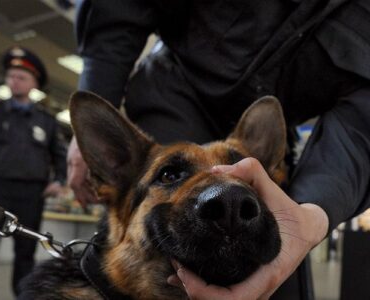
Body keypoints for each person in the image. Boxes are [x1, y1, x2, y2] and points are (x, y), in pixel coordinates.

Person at [68, 0, 370, 299]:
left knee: (279, 272)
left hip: (270, 123)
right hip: (176, 90)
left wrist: (313, 215)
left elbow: (363, 120)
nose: (224, 198)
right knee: (146, 257)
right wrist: (100, 87)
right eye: (170, 174)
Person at [0, 46, 67, 300]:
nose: (15, 80)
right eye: (11, 75)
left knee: (26, 253)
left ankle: (23, 297)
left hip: (31, 194)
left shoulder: (47, 120)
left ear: (34, 83)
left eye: (22, 77)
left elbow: (60, 154)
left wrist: (59, 179)